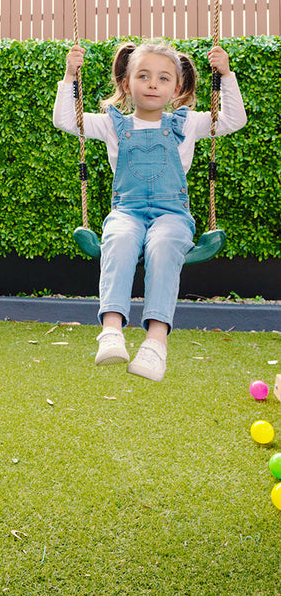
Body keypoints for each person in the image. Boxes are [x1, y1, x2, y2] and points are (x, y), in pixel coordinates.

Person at [53, 39, 246, 381]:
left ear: (177, 88)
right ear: (127, 85)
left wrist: (226, 75)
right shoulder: (113, 124)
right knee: (119, 239)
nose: (153, 84)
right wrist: (70, 75)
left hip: (172, 214)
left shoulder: (187, 124)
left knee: (163, 246)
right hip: (127, 211)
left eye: (163, 78)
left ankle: (155, 343)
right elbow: (66, 121)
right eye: (143, 76)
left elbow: (233, 120)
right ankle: (111, 331)